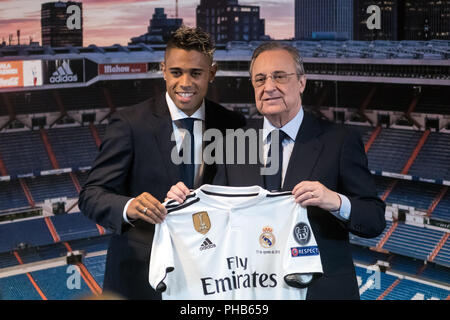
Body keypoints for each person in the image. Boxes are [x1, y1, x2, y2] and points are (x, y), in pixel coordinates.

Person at [166, 41, 386, 300]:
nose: (268, 87)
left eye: (279, 76)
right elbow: (215, 218)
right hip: (252, 292)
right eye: (260, 79)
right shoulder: (233, 144)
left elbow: (373, 219)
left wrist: (335, 201)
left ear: (302, 82)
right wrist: (185, 201)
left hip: (320, 293)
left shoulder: (339, 141)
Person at [78, 26, 246, 299]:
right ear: (163, 69)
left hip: (209, 275)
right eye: (177, 72)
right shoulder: (130, 123)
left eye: (196, 73)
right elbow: (91, 195)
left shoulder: (232, 124)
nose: (185, 83)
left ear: (212, 73)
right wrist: (131, 206)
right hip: (139, 277)